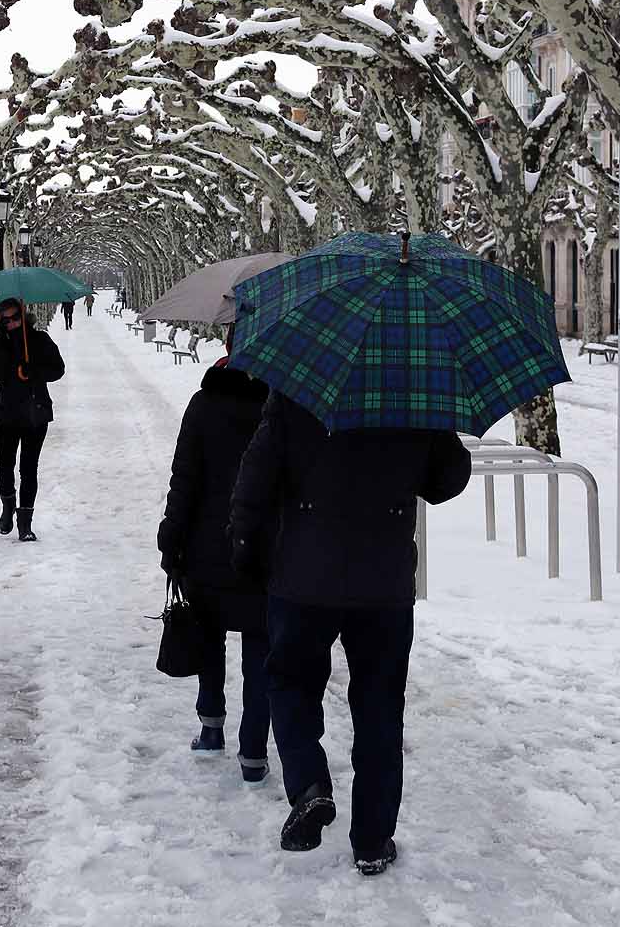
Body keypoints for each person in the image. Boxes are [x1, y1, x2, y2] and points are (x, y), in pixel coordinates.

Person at [229, 392, 471, 875]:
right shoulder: (416, 394)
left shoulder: (295, 390)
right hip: (384, 584)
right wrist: (438, 427)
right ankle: (373, 840)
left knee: (290, 684)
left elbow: (255, 478)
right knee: (381, 705)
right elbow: (446, 481)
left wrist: (244, 549)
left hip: (303, 575)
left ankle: (310, 785)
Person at [157, 333, 272, 784]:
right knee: (261, 647)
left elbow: (183, 477)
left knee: (210, 636)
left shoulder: (204, 404)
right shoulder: (278, 407)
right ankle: (254, 751)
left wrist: (172, 536)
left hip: (207, 542)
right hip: (262, 546)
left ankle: (210, 726)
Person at [0, 299, 65, 543]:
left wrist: (35, 370)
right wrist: (13, 364)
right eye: (6, 320)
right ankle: (8, 506)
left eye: (15, 318)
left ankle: (25, 523)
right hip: (8, 413)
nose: (11, 323)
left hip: (35, 412)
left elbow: (58, 369)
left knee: (29, 468)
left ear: (23, 316)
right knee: (5, 466)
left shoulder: (40, 340)